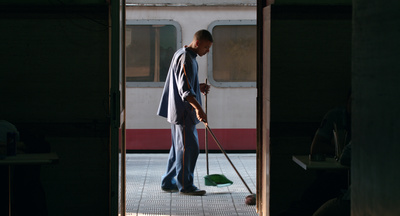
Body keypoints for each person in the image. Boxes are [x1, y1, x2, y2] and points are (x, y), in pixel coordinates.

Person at [157, 29, 212, 196]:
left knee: (178, 149)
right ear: (196, 43)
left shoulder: (182, 53)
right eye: (206, 47)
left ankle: (168, 182)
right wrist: (199, 109)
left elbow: (184, 84)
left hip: (178, 111)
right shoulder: (186, 59)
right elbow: (185, 91)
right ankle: (186, 186)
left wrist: (198, 86)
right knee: (189, 149)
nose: (207, 51)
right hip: (184, 113)